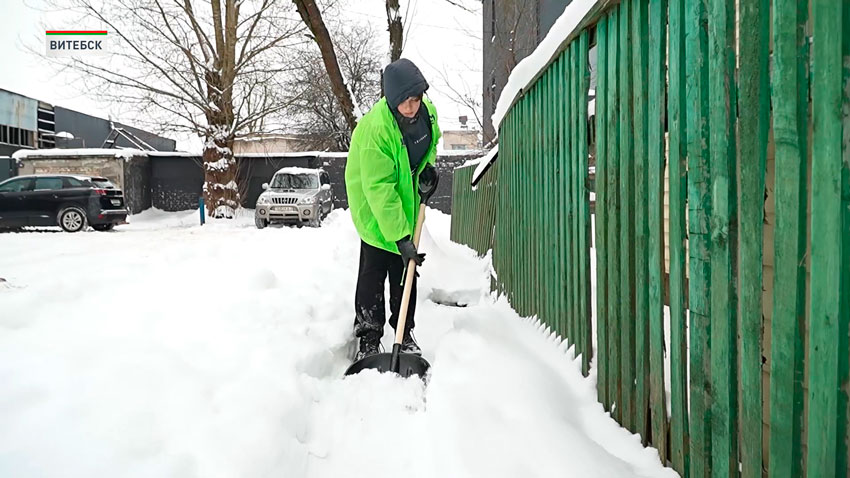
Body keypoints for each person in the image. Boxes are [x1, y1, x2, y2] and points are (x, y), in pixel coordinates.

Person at [344, 58, 441, 361]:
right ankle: (369, 337)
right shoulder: (376, 131)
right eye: (404, 102)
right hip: (373, 207)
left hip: (406, 202)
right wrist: (400, 237)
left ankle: (404, 332)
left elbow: (431, 143)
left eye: (415, 99)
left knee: (405, 272)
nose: (411, 107)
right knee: (373, 270)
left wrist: (428, 168)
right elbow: (379, 188)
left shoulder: (428, 114)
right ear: (390, 99)